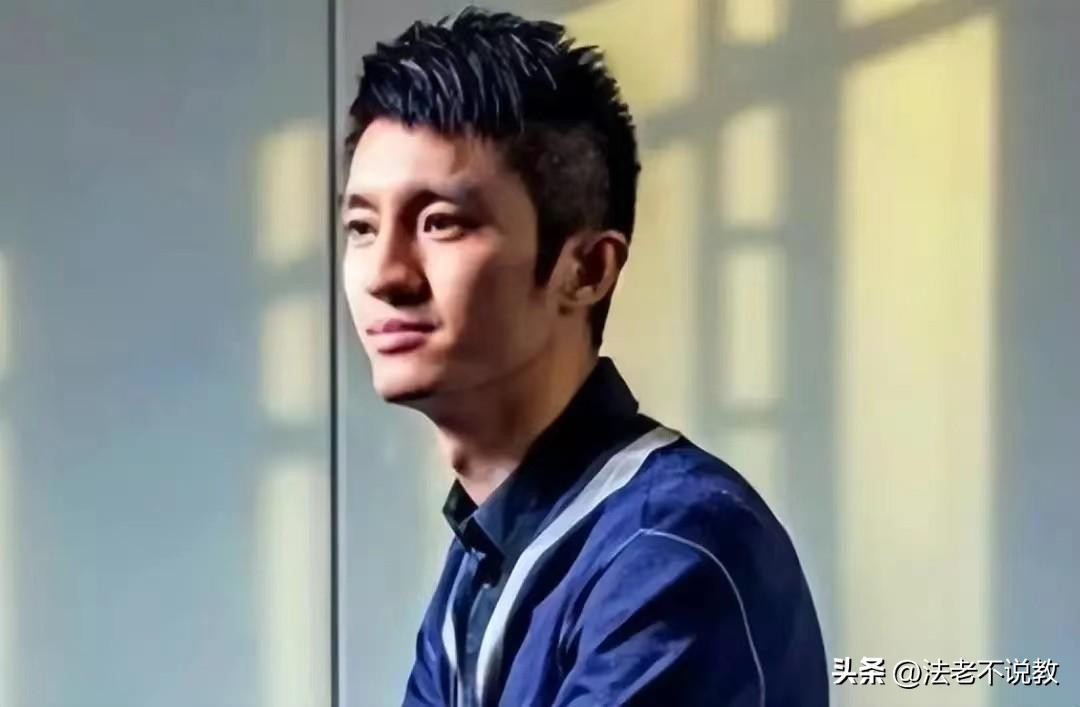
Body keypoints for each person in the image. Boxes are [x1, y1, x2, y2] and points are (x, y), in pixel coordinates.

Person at [340, 7, 827, 706]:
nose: (385, 274)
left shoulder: (667, 549)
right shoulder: (484, 555)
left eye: (440, 222)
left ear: (587, 270)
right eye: (361, 226)